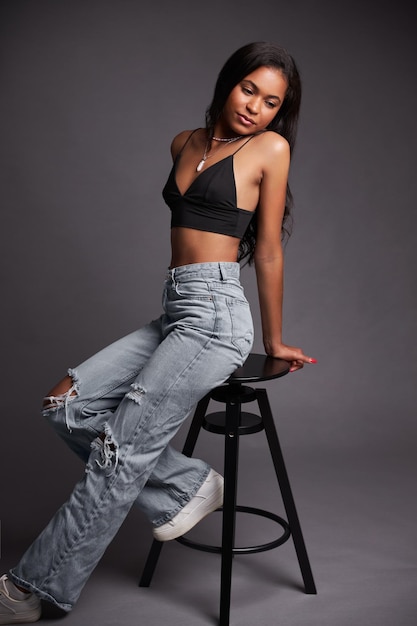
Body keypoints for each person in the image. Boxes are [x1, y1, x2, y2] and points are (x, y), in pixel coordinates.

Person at [0, 41, 316, 624]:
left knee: (118, 454)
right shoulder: (184, 142)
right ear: (228, 83)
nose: (256, 108)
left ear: (278, 114)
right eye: (249, 90)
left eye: (272, 102)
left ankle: (30, 590)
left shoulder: (269, 148)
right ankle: (185, 487)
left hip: (218, 316)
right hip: (177, 308)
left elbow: (267, 250)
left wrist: (273, 340)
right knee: (65, 407)